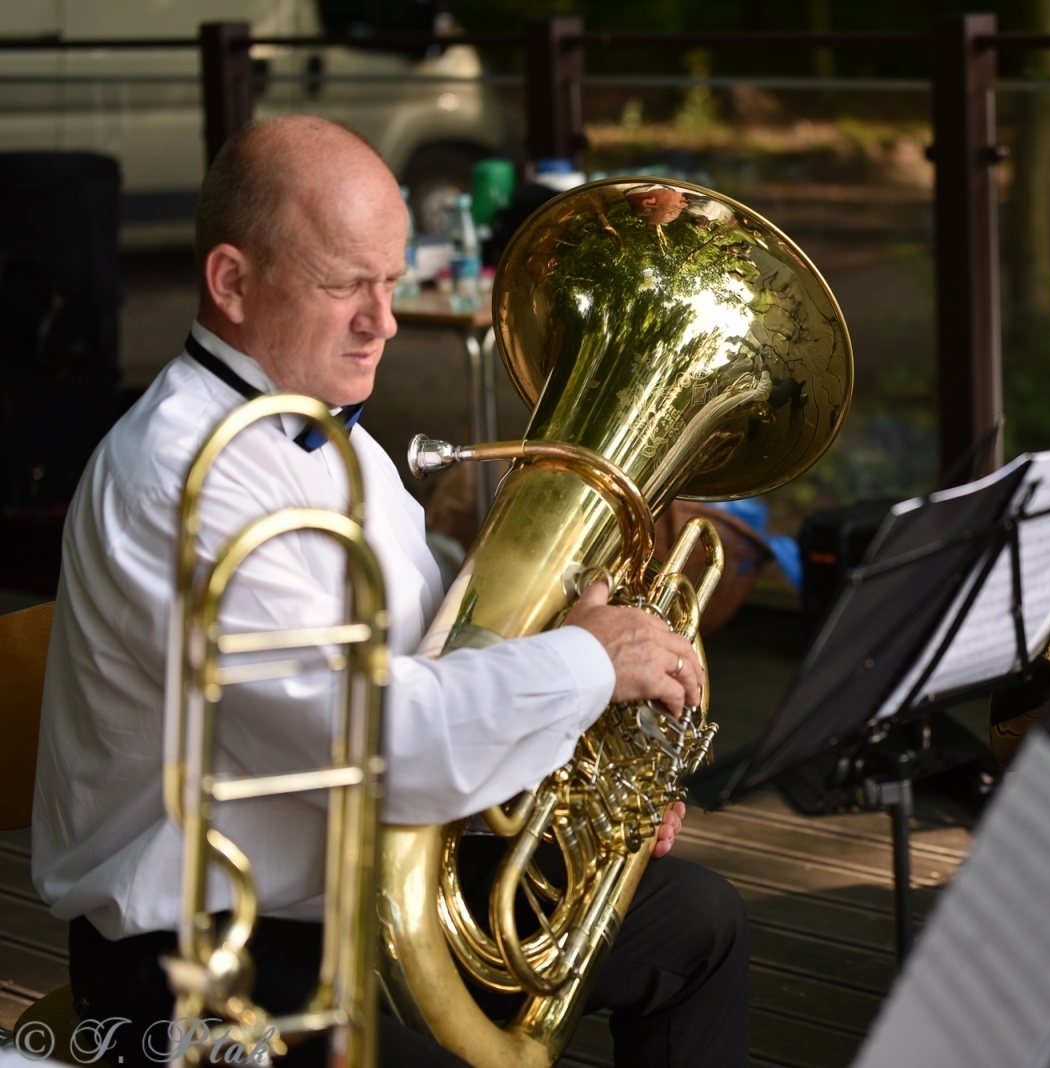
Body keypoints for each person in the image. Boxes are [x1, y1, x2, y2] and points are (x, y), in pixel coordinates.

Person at [32, 115, 747, 1067]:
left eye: (390, 279)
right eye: (345, 286)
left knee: (698, 921)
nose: (385, 320)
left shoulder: (339, 441)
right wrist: (585, 663)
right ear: (232, 282)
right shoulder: (179, 479)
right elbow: (369, 737)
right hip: (200, 955)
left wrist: (588, 778)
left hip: (358, 892)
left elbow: (440, 657)